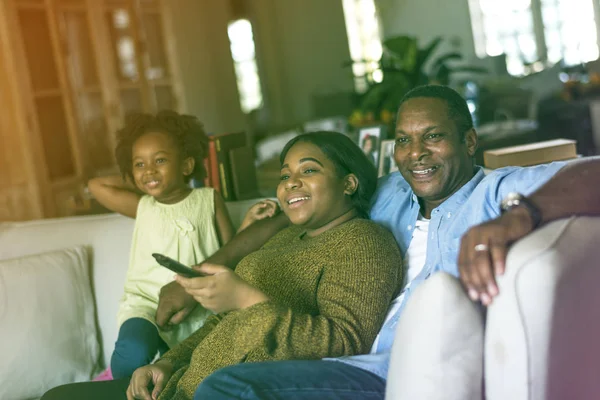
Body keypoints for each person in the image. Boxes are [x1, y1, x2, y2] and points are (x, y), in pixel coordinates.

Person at [173, 84, 577, 399]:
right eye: (403, 140)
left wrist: (522, 214)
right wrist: (191, 280)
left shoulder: (493, 192)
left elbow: (590, 172)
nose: (416, 153)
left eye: (433, 136)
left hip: (404, 374)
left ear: (469, 142)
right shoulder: (392, 190)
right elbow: (288, 214)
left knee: (229, 389)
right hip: (347, 364)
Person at [41, 131, 403, 400]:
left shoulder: (364, 242)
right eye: (284, 174)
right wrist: (167, 364)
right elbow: (220, 322)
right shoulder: (282, 239)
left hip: (233, 390)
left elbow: (345, 341)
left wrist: (249, 301)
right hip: (180, 384)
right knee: (58, 397)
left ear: (349, 183)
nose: (291, 182)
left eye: (308, 171)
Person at [86, 111, 235, 380]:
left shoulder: (208, 200)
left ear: (187, 165)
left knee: (200, 371)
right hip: (146, 304)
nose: (149, 170)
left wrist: (249, 221)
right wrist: (140, 176)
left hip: (199, 306)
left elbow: (232, 251)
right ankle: (115, 376)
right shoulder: (142, 206)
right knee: (129, 359)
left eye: (161, 160)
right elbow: (97, 185)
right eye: (139, 164)